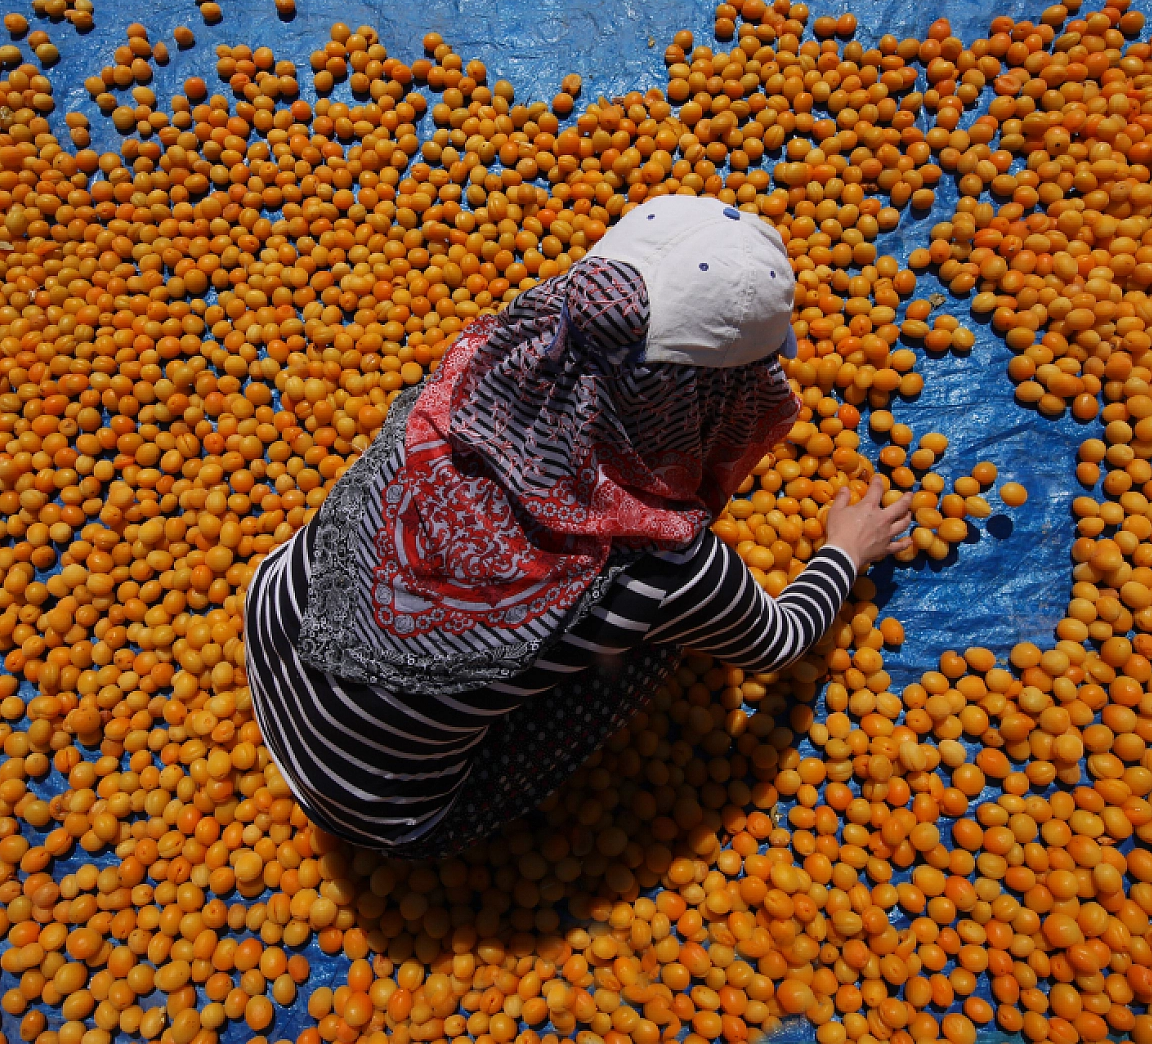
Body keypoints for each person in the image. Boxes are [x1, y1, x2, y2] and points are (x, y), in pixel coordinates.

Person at [243, 195, 912, 860]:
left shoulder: (460, 387)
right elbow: (777, 642)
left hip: (272, 625)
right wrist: (845, 549)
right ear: (718, 409)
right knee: (653, 651)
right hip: (381, 810)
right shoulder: (664, 565)